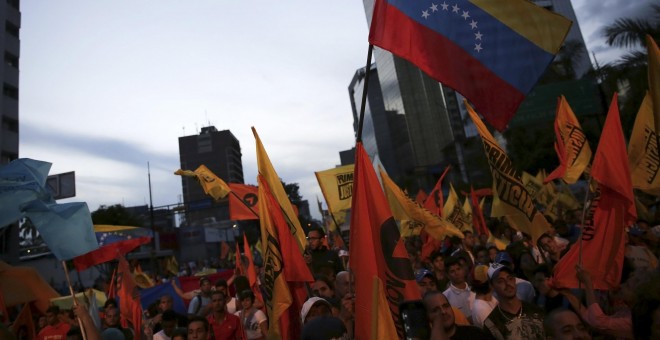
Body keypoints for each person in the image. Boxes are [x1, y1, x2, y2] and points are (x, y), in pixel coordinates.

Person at [483, 262, 545, 339]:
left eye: (510, 278)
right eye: (500, 281)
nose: (508, 283)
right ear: (492, 286)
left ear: (515, 280)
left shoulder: (536, 311)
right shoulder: (491, 325)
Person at [423, 290, 491, 339]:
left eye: (446, 306)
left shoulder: (475, 333)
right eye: (436, 310)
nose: (443, 312)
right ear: (428, 316)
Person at [442, 256, 475, 322]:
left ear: (463, 270)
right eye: (452, 271)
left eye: (458, 269)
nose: (457, 273)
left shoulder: (474, 290)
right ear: (448, 275)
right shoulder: (445, 297)